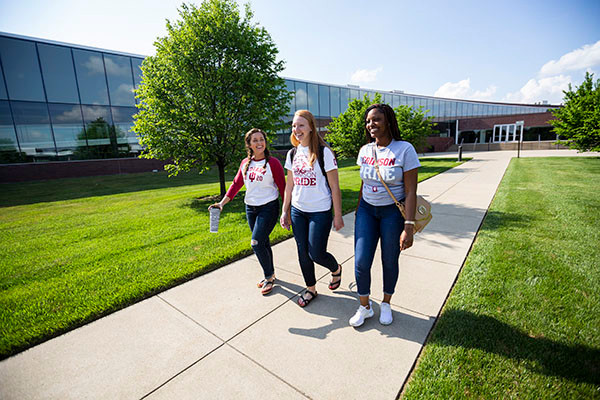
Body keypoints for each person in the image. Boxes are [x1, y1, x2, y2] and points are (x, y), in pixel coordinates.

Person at [349, 103, 420, 327]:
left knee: (389, 260)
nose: (371, 124)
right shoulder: (365, 150)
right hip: (367, 212)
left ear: (388, 121)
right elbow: (364, 184)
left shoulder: (405, 149)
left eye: (377, 119)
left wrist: (408, 227)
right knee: (361, 261)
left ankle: (386, 303)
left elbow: (411, 191)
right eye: (368, 121)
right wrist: (359, 211)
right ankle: (365, 307)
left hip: (392, 213)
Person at [210, 128, 285, 295]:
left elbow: (283, 188)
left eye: (261, 139)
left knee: (256, 242)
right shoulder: (245, 163)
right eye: (255, 140)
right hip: (250, 208)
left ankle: (268, 277)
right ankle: (271, 273)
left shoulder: (273, 163)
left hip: (269, 207)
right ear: (249, 144)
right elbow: (236, 184)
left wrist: (286, 212)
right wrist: (222, 203)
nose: (259, 143)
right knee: (263, 242)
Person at [280, 110, 344, 307]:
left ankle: (336, 269)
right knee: (302, 252)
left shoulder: (324, 152)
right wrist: (285, 210)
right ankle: (311, 289)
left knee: (316, 253)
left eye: (300, 125)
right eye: (293, 126)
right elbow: (289, 185)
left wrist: (338, 214)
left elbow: (334, 186)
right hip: (299, 210)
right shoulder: (293, 153)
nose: (296, 130)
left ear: (310, 127)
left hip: (320, 210)